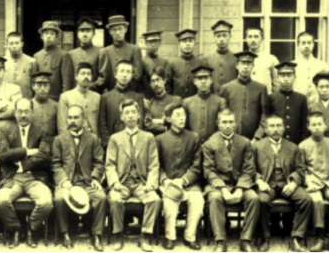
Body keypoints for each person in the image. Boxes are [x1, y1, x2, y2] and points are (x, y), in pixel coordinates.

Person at [0, 98, 53, 249]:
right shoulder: (5, 130)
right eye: (20, 111)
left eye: (27, 111)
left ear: (32, 112)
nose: (23, 115)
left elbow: (45, 156)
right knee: (0, 201)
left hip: (35, 177)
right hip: (12, 178)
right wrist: (28, 151)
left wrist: (22, 163)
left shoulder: (42, 131)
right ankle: (16, 228)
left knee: (46, 202)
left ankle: (31, 229)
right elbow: (4, 154)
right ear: (14, 113)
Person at [106, 99, 160, 252]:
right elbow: (109, 165)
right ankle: (117, 234)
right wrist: (115, 183)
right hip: (122, 182)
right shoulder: (115, 139)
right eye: (126, 113)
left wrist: (150, 184)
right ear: (122, 117)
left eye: (133, 112)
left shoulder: (148, 137)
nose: (130, 116)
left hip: (140, 183)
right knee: (115, 199)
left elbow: (154, 165)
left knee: (154, 199)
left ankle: (145, 235)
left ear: (138, 116)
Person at [203, 108, 260, 252]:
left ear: (235, 123)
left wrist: (240, 188)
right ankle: (220, 240)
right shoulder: (210, 143)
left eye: (230, 122)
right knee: (215, 198)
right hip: (218, 185)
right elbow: (209, 171)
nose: (227, 125)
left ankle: (245, 239)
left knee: (253, 198)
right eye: (224, 122)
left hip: (240, 184)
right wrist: (223, 189)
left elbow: (249, 169)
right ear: (218, 124)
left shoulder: (245, 142)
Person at [253, 115, 312, 252]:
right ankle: (265, 237)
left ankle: (296, 238)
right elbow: (250, 168)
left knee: (306, 200)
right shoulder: (257, 147)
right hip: (267, 184)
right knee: (261, 200)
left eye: (278, 126)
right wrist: (259, 181)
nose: (275, 129)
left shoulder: (292, 147)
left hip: (287, 183)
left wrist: (293, 183)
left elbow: (300, 169)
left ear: (284, 128)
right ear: (266, 129)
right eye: (272, 126)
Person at [51, 105, 106, 251]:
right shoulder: (59, 140)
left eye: (76, 117)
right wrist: (64, 180)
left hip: (87, 182)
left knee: (101, 197)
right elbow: (55, 165)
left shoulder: (93, 139)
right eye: (70, 117)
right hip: (67, 183)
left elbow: (99, 162)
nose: (73, 121)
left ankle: (96, 235)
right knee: (59, 199)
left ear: (84, 119)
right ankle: (65, 233)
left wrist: (95, 178)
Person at [299, 111, 329, 253]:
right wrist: (308, 182)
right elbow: (300, 169)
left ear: (325, 126)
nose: (317, 127)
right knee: (317, 201)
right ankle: (319, 237)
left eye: (320, 124)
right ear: (308, 127)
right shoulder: (303, 145)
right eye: (313, 124)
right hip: (313, 184)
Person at [156, 103, 203, 250]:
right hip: (168, 183)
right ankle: (170, 236)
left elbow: (197, 165)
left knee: (197, 202)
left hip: (190, 183)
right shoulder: (160, 139)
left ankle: (190, 236)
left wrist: (183, 180)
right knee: (170, 205)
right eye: (177, 115)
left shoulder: (194, 137)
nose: (182, 118)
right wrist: (165, 180)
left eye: (183, 115)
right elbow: (156, 165)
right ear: (169, 118)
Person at [220, 51, 268, 141]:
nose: (246, 67)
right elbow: (222, 114)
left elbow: (264, 115)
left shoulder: (261, 88)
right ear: (237, 65)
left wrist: (258, 136)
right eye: (243, 63)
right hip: (231, 138)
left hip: (254, 139)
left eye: (249, 63)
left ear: (253, 66)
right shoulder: (226, 88)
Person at [98, 60, 144, 147]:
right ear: (115, 74)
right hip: (111, 144)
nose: (125, 75)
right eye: (122, 71)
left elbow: (140, 122)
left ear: (132, 76)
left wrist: (135, 142)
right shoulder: (106, 97)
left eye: (128, 72)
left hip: (132, 144)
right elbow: (102, 123)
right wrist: (108, 143)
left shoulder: (137, 97)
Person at [183, 65, 227, 142]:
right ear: (194, 81)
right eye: (199, 78)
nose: (203, 81)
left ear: (211, 80)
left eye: (206, 78)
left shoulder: (220, 102)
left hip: (214, 144)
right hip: (192, 145)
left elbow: (223, 125)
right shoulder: (187, 102)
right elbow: (184, 127)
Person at [99, 15, 143, 92]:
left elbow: (137, 75)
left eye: (120, 29)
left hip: (130, 92)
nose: (118, 32)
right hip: (112, 93)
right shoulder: (106, 51)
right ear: (110, 32)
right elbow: (104, 78)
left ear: (125, 29)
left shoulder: (134, 50)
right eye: (114, 30)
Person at [269, 62, 309, 144]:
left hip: (296, 143)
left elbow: (304, 125)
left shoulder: (301, 98)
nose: (286, 79)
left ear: (294, 77)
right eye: (282, 75)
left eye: (289, 75)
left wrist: (302, 143)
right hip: (276, 143)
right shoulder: (270, 98)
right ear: (277, 78)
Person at [62, 17, 104, 92]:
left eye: (88, 31)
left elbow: (102, 78)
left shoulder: (101, 52)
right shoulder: (71, 54)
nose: (85, 34)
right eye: (82, 31)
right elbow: (67, 80)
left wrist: (88, 86)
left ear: (93, 34)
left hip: (94, 94)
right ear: (77, 34)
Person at [58, 62, 100, 135]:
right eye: (83, 73)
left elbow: (100, 123)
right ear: (76, 76)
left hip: (93, 140)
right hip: (72, 140)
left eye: (88, 74)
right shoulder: (65, 97)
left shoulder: (97, 97)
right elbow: (62, 125)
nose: (86, 76)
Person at [32, 20, 67, 100]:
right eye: (46, 33)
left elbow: (66, 83)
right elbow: (34, 80)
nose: (48, 36)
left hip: (56, 98)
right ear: (41, 36)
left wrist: (64, 100)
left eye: (52, 34)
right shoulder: (37, 56)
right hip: (40, 98)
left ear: (56, 37)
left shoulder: (63, 55)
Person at [143, 66, 183, 136]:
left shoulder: (176, 100)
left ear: (164, 80)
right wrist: (166, 127)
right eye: (153, 81)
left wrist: (157, 121)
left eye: (158, 80)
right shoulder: (149, 104)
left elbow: (180, 121)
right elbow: (148, 125)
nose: (156, 84)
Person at [293, 32, 329, 103]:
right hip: (298, 103)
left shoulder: (322, 65)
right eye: (303, 43)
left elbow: (328, 86)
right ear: (298, 45)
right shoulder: (293, 65)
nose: (306, 46)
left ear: (313, 45)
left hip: (317, 103)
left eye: (309, 43)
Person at [202, 20, 238, 93]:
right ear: (214, 38)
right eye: (218, 36)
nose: (221, 39)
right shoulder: (207, 60)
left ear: (230, 37)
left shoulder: (236, 59)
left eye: (224, 35)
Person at [245, 27, 279, 94]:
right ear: (246, 39)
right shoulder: (240, 59)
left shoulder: (271, 59)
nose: (253, 40)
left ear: (262, 39)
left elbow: (277, 83)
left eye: (256, 36)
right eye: (250, 36)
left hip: (265, 100)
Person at [140, 30, 173, 99]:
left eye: (155, 41)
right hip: (146, 99)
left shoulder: (164, 62)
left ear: (160, 43)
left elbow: (167, 84)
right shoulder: (141, 61)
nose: (153, 44)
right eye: (150, 42)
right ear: (145, 43)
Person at [171, 29, 202, 99]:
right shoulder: (173, 63)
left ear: (195, 43)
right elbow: (168, 87)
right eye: (184, 41)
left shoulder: (201, 63)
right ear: (179, 44)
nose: (187, 44)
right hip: (177, 104)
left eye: (190, 41)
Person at [4, 31, 35, 99]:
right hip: (8, 102)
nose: (14, 46)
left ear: (22, 44)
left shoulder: (31, 62)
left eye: (17, 43)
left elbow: (35, 85)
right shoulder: (3, 62)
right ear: (7, 45)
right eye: (11, 43)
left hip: (26, 102)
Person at [30, 71, 59, 139]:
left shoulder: (56, 106)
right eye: (39, 85)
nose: (42, 89)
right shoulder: (28, 105)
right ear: (33, 86)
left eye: (46, 85)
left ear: (50, 87)